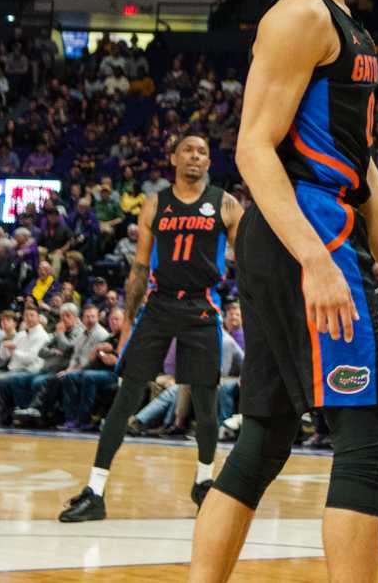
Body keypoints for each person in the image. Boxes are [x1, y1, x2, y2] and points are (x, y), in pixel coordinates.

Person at [188, 0, 378, 583]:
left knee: (265, 435)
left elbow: (364, 174)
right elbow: (252, 146)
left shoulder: (341, 21)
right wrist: (318, 260)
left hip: (306, 232)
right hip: (307, 234)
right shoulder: (299, 13)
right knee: (364, 438)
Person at [61, 132, 244, 520]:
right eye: (189, 151)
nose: (196, 157)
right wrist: (127, 322)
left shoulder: (226, 205)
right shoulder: (156, 203)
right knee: (126, 398)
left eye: (203, 152)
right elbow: (140, 266)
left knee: (206, 405)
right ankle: (95, 491)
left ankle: (204, 482)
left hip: (202, 307)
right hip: (158, 305)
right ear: (174, 158)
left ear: (209, 162)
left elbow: (251, 262)